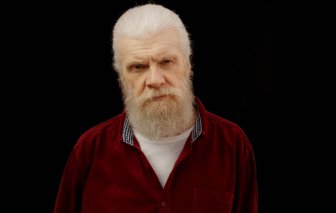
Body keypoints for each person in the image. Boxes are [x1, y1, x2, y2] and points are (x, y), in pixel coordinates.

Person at [54, 3, 258, 213]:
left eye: (166, 61)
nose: (155, 79)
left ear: (187, 65)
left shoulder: (233, 145)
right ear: (121, 77)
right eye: (138, 67)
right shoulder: (89, 150)